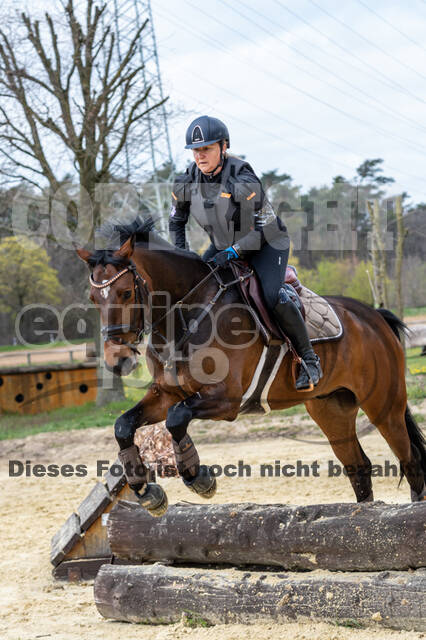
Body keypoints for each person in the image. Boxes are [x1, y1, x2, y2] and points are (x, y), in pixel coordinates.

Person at [169, 115, 322, 390]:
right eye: (196, 150)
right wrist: (182, 257)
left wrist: (234, 251)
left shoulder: (242, 177)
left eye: (207, 149)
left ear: (223, 146)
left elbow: (268, 227)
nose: (200, 156)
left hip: (267, 243)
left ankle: (309, 360)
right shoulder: (184, 183)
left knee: (271, 295)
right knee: (192, 290)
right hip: (224, 244)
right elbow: (176, 222)